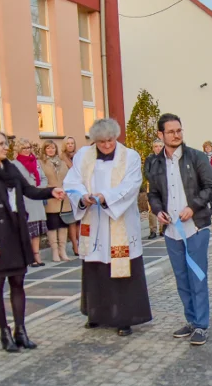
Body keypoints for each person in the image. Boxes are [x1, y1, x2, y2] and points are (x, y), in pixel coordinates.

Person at [0, 130, 64, 352]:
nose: (5, 147)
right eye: (0, 144)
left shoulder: (10, 168)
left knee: (18, 284)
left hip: (16, 233)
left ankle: (20, 330)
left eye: (5, 143)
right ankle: (4, 332)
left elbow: (29, 190)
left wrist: (52, 191)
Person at [63, 118, 153, 336]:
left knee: (121, 270)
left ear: (116, 137)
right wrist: (83, 198)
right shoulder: (84, 156)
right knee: (96, 269)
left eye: (110, 140)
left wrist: (106, 198)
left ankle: (124, 318)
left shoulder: (129, 156)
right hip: (93, 221)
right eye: (101, 142)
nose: (106, 145)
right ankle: (96, 314)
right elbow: (71, 182)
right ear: (94, 141)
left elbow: (131, 185)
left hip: (119, 220)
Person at [146, 114, 212, 346]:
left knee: (197, 276)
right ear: (160, 135)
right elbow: (153, 193)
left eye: (179, 130)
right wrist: (158, 211)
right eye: (171, 132)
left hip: (195, 227)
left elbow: (211, 187)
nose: (176, 135)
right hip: (172, 231)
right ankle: (191, 320)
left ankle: (202, 325)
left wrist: (193, 206)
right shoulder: (155, 163)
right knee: (181, 278)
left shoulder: (196, 157)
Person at [11, 138, 48, 267]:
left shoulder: (36, 162)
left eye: (29, 147)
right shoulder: (15, 164)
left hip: (36, 198)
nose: (27, 150)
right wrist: (28, 189)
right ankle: (29, 256)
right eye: (24, 148)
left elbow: (43, 178)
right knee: (28, 230)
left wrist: (39, 189)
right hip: (25, 199)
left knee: (36, 230)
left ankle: (37, 254)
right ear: (19, 150)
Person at [39, 139, 71, 262]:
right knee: (52, 224)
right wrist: (50, 190)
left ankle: (62, 250)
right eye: (48, 148)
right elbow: (41, 180)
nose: (51, 150)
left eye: (52, 148)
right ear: (44, 150)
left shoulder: (62, 162)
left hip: (63, 197)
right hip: (51, 196)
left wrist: (64, 189)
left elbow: (68, 178)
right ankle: (55, 251)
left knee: (63, 224)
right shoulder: (41, 163)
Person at [61, 136, 80, 255]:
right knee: (72, 220)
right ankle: (75, 245)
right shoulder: (62, 158)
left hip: (79, 190)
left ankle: (81, 242)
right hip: (69, 192)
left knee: (79, 220)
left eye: (72, 143)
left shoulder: (78, 157)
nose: (70, 145)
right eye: (68, 143)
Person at [147, 138, 164, 239]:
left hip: (163, 185)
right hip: (152, 185)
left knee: (163, 206)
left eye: (160, 146)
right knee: (151, 208)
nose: (158, 148)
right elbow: (146, 172)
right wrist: (153, 180)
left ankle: (163, 229)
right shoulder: (150, 159)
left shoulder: (167, 158)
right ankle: (153, 230)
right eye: (156, 146)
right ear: (153, 148)